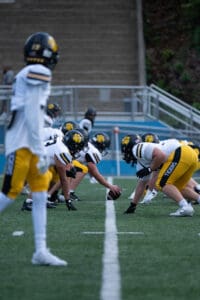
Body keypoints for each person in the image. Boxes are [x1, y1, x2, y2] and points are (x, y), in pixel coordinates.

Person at [0, 32, 68, 266]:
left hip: (28, 141)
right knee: (10, 192)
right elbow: (31, 111)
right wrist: (39, 149)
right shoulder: (39, 72)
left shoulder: (26, 72)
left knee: (39, 194)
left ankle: (40, 250)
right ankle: (40, 250)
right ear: (48, 54)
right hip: (22, 142)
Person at [121, 134, 198, 217]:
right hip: (190, 154)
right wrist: (133, 205)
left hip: (181, 152)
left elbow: (161, 155)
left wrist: (150, 169)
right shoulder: (141, 161)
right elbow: (142, 184)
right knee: (178, 187)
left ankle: (185, 207)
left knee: (161, 183)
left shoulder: (136, 148)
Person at [22, 129, 86, 211]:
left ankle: (41, 200)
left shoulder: (60, 141)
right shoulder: (63, 151)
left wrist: (70, 167)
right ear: (74, 146)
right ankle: (28, 202)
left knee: (50, 175)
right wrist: (68, 200)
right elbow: (63, 179)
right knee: (46, 177)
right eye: (78, 148)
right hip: (31, 160)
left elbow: (61, 165)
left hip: (32, 157)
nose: (78, 150)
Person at [68, 131, 122, 201]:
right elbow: (95, 173)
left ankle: (62, 193)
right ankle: (69, 192)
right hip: (66, 162)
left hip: (63, 160)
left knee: (79, 167)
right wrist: (110, 186)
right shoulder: (94, 151)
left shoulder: (89, 146)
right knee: (83, 169)